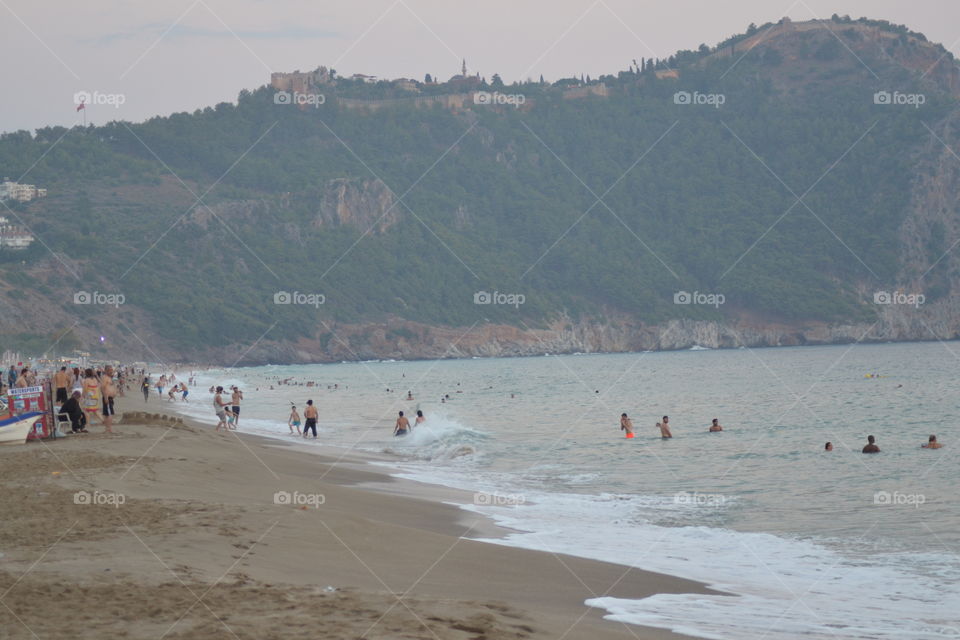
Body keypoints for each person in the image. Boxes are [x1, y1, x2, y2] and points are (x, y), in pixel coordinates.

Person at [101, 366, 117, 434]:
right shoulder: (105, 378)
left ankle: (107, 429)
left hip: (110, 398)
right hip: (107, 397)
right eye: (110, 370)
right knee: (110, 414)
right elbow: (103, 388)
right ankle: (109, 429)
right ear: (106, 371)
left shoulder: (109, 378)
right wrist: (106, 397)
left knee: (107, 414)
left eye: (112, 370)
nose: (111, 371)